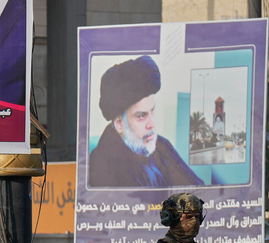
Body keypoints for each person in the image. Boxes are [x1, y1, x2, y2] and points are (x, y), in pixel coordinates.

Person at [87, 55, 203, 189]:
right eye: (141, 116)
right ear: (119, 123)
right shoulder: (101, 167)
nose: (152, 124)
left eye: (152, 111)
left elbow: (197, 190)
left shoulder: (161, 145)